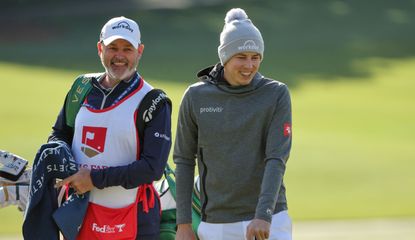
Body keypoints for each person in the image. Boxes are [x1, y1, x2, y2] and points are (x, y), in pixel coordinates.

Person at [174, 8, 292, 240]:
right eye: (241, 57)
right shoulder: (196, 97)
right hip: (216, 223)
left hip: (269, 220)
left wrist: (263, 215)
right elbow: (184, 160)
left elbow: (276, 158)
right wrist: (184, 224)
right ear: (225, 57)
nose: (249, 65)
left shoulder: (276, 94)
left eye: (255, 57)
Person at [51, 16, 172, 240]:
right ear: (100, 48)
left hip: (136, 220)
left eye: (127, 49)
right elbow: (59, 135)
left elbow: (152, 168)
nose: (119, 55)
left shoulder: (154, 100)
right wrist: (59, 163)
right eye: (112, 47)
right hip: (79, 214)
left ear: (139, 51)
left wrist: (94, 179)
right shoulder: (81, 88)